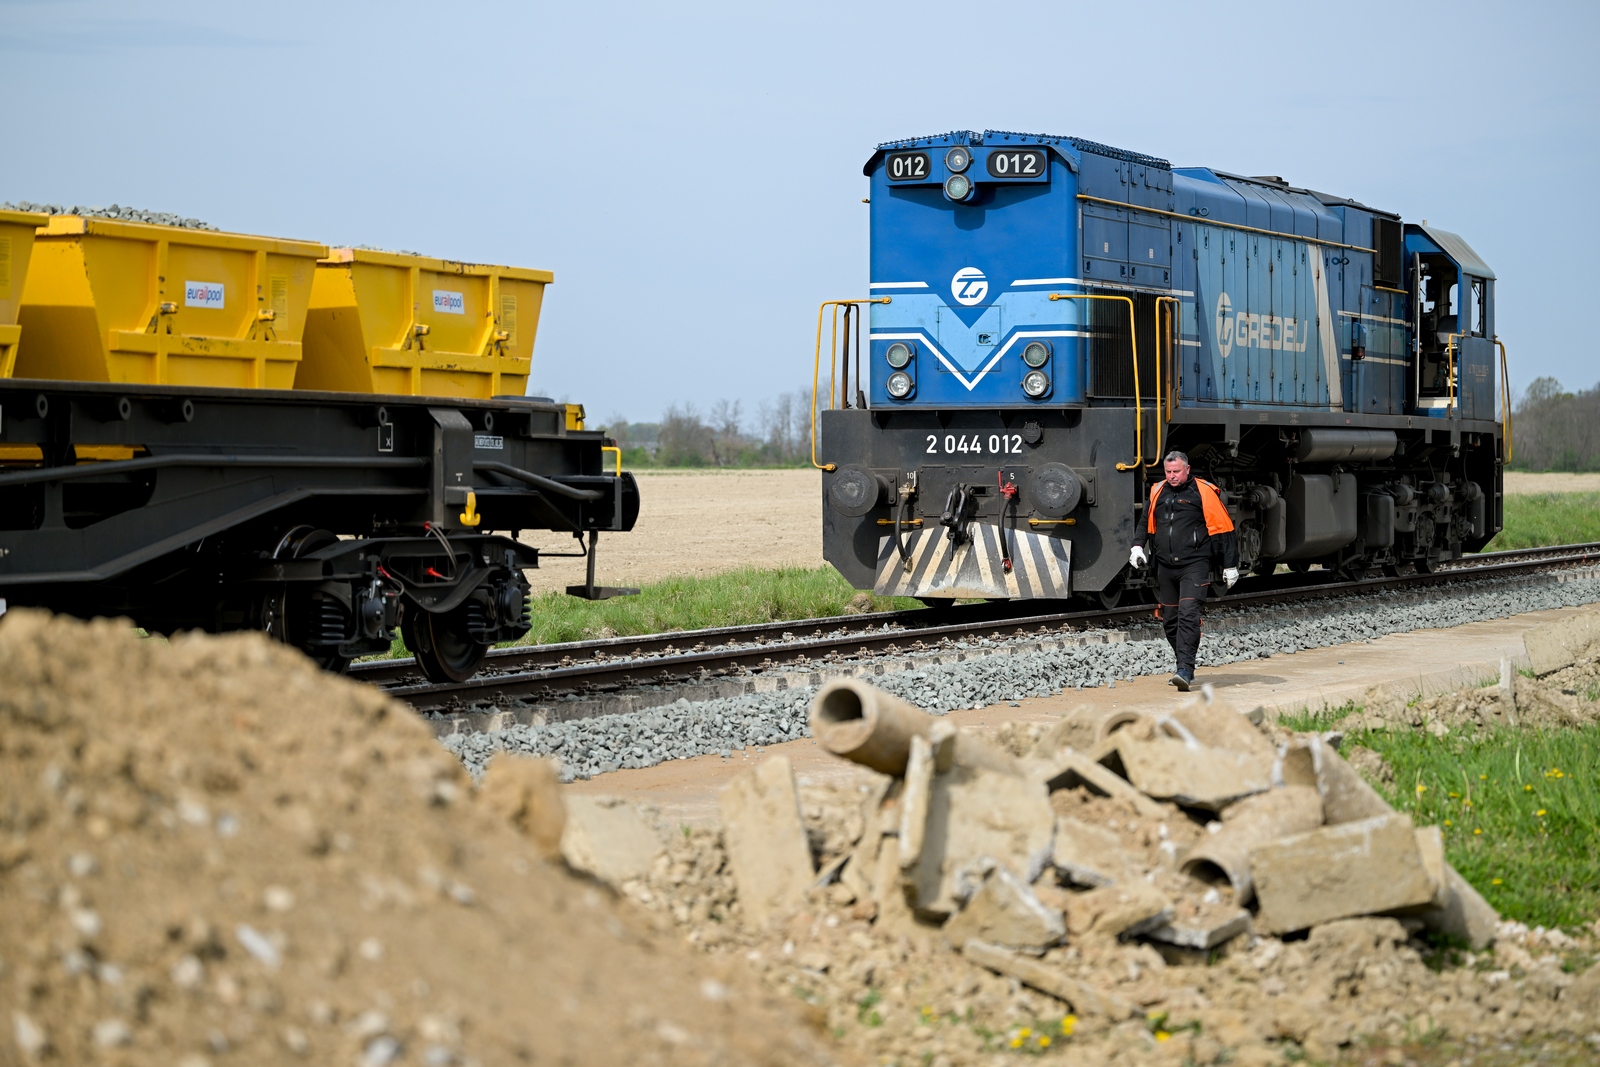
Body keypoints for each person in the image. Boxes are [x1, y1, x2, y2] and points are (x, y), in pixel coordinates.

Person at [1129, 450, 1239, 691]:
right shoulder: (1158, 490)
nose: (1172, 476)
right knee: (1170, 621)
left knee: (1188, 615)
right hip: (1165, 566)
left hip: (1195, 564)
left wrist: (1230, 564)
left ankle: (1185, 670)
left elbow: (1223, 528)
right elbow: (1146, 520)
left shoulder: (1203, 491)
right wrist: (1137, 546)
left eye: (1176, 471)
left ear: (1187, 469)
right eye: (1168, 472)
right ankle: (1184, 664)